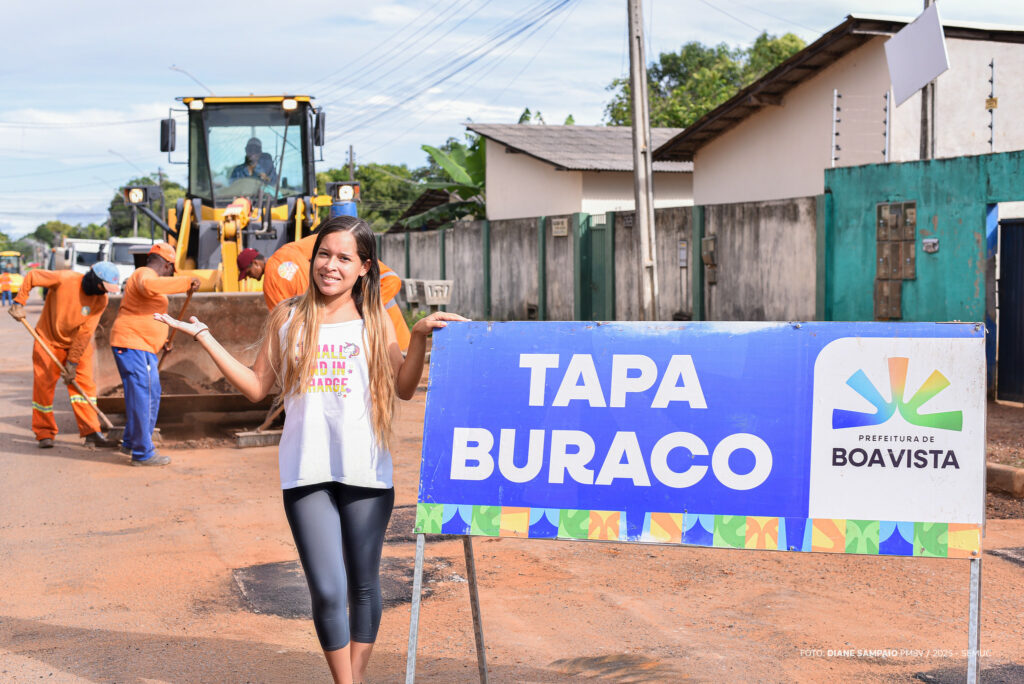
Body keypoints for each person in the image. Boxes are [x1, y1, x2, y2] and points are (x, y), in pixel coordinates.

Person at [156, 215, 465, 684]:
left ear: (364, 267)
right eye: (324, 254)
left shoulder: (376, 320)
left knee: (364, 585)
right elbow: (257, 387)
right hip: (305, 472)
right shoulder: (288, 316)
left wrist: (418, 335)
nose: (330, 266)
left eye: (344, 258)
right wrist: (205, 337)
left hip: (366, 471)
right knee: (327, 588)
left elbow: (404, 388)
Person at [9, 262, 121, 448]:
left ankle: (92, 432)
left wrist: (72, 362)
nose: (104, 292)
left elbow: (85, 332)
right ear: (94, 279)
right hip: (48, 341)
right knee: (43, 388)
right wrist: (19, 302)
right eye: (103, 287)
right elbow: (32, 276)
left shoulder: (101, 300)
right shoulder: (65, 279)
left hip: (77, 346)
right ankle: (44, 433)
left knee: (84, 388)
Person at [110, 242, 200, 466]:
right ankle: (143, 453)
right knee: (145, 395)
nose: (170, 274)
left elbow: (148, 313)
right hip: (133, 344)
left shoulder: (146, 276)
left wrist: (162, 341)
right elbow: (150, 286)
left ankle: (131, 442)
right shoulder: (144, 274)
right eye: (171, 270)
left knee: (145, 394)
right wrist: (186, 282)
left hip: (141, 346)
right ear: (167, 265)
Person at [238, 238, 411, 351]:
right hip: (396, 342)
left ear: (256, 263)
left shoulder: (270, 282)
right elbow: (330, 240)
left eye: (248, 273)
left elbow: (282, 323)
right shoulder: (290, 249)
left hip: (370, 342)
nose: (250, 277)